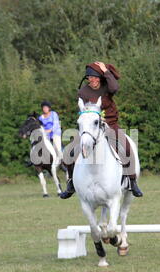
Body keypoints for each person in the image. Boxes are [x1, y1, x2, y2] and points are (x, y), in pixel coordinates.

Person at [60, 61, 143, 199]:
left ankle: (132, 181)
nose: (92, 80)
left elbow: (115, 88)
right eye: (89, 78)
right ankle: (71, 183)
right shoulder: (83, 92)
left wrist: (106, 71)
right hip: (91, 128)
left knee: (127, 147)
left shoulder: (107, 86)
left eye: (94, 77)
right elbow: (84, 111)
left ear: (100, 77)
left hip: (110, 124)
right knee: (69, 152)